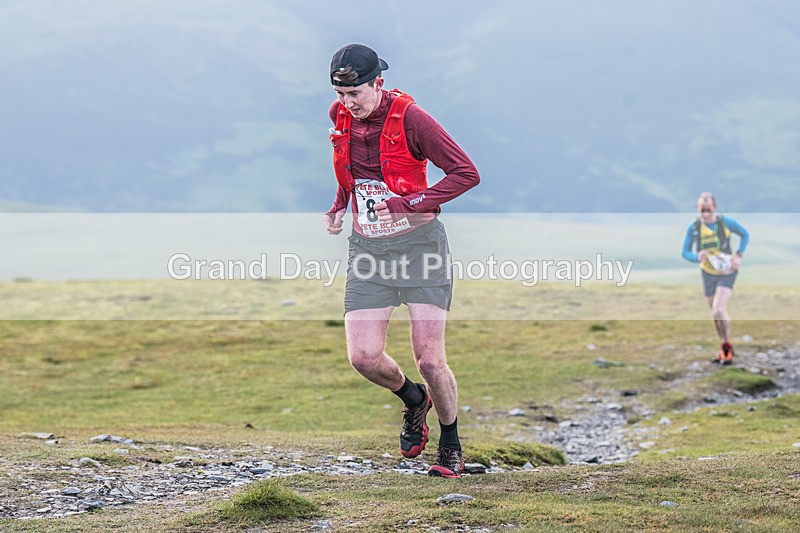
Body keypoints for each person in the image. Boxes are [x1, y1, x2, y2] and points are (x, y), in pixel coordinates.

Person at [323, 44, 479, 478]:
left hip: (421, 248)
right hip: (369, 250)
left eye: (355, 93)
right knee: (364, 357)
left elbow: (466, 172)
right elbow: (352, 174)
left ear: (378, 82)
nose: (347, 103)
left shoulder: (412, 118)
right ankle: (414, 399)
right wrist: (339, 204)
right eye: (340, 93)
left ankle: (450, 443)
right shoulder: (339, 117)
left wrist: (415, 202)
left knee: (430, 360)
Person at [681, 192, 749, 364]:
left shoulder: (726, 223)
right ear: (697, 209)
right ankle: (724, 347)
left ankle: (726, 349)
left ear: (715, 208)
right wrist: (696, 257)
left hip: (727, 272)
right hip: (707, 273)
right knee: (714, 313)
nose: (705, 214)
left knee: (719, 308)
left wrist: (738, 255)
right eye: (702, 210)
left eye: (708, 210)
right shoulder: (694, 227)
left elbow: (745, 234)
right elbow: (685, 252)